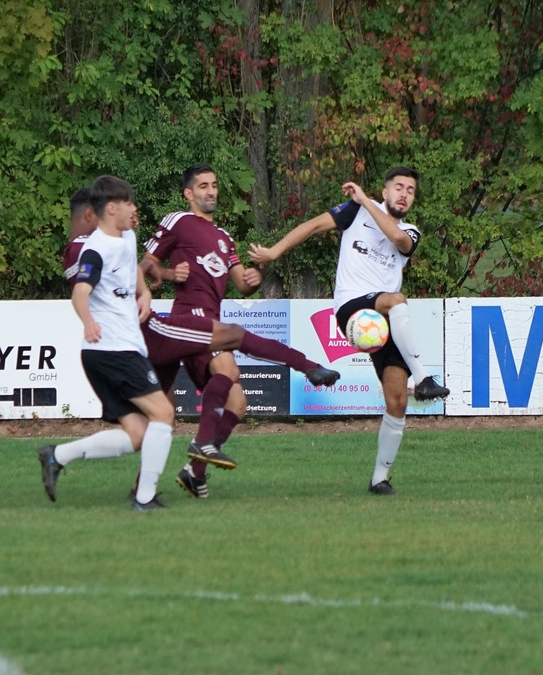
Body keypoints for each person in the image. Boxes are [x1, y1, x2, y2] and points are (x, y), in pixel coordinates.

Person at [141, 163, 341, 499]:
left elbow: (242, 284)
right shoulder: (179, 221)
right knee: (229, 368)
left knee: (238, 403)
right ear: (188, 194)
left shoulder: (224, 238)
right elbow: (147, 263)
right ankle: (305, 366)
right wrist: (170, 273)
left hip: (213, 320)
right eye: (203, 186)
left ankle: (194, 473)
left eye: (214, 185)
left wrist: (254, 279)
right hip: (189, 318)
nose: (211, 191)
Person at [249, 166, 449, 495]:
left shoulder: (410, 231)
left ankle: (379, 479)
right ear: (385, 192)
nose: (404, 194)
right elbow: (313, 226)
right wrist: (273, 252)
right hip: (352, 308)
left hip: (385, 320)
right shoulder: (356, 210)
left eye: (410, 190)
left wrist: (366, 202)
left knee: (397, 401)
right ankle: (423, 378)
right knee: (398, 299)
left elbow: (397, 239)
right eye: (398, 187)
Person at [38, 175, 176, 511]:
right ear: (111, 208)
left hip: (114, 350)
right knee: (163, 412)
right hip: (112, 348)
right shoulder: (94, 250)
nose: (134, 208)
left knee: (137, 434)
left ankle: (56, 456)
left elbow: (132, 268)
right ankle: (144, 499)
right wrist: (88, 321)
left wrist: (144, 293)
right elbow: (79, 293)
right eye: (128, 203)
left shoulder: (126, 236)